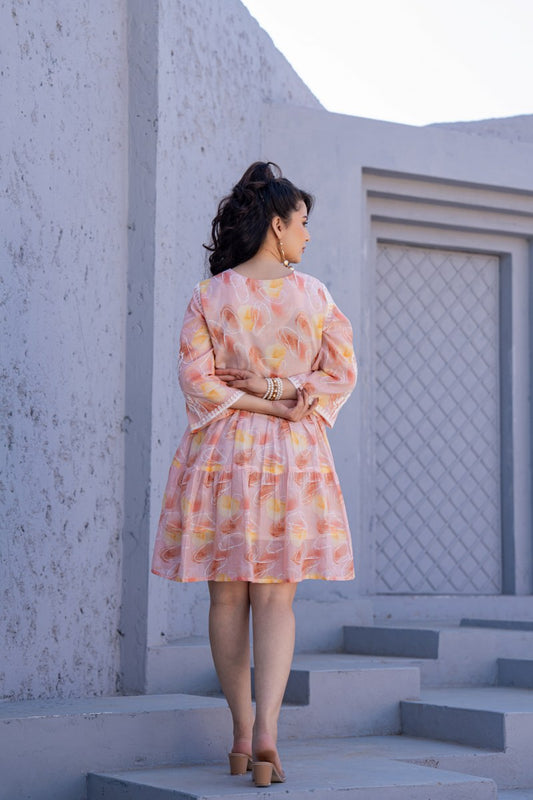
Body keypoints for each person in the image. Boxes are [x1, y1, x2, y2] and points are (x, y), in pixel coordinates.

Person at [151, 161, 357, 787]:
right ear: (277, 223)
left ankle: (240, 732)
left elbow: (196, 380)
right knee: (276, 596)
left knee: (226, 595)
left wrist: (260, 394)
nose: (307, 235)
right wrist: (284, 394)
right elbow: (340, 373)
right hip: (293, 459)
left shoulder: (208, 295)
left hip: (223, 457)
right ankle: (268, 731)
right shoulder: (315, 296)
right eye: (302, 221)